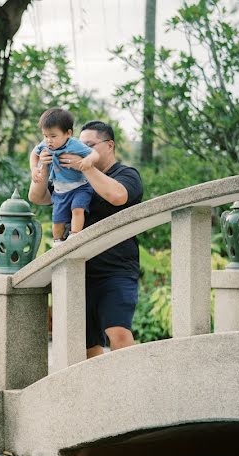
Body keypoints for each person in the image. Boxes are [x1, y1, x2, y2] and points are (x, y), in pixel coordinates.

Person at [28, 120, 144, 357]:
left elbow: (117, 196)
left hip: (116, 271)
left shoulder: (127, 174)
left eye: (90, 145)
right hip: (79, 270)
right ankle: (99, 394)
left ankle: (134, 389)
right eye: (80, 144)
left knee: (118, 333)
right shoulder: (70, 177)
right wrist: (44, 167)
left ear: (109, 145)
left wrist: (87, 167)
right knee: (87, 345)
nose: (81, 149)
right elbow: (37, 197)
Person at [29, 108, 99, 245]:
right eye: (45, 136)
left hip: (80, 187)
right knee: (57, 220)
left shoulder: (75, 144)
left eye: (53, 136)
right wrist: (34, 169)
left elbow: (94, 154)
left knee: (78, 209)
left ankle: (75, 235)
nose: (48, 140)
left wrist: (87, 161)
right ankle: (58, 242)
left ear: (68, 133)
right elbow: (34, 153)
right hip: (60, 190)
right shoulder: (46, 145)